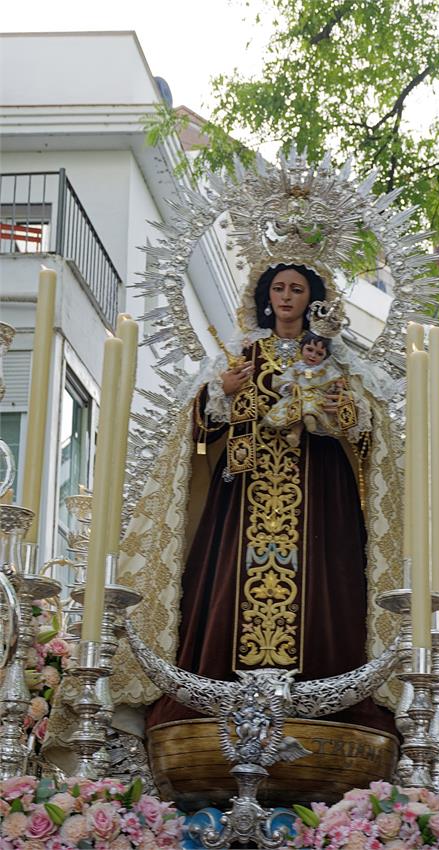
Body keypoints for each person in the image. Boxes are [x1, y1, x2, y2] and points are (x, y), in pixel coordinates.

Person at [143, 262, 396, 734]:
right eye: (278, 288)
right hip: (245, 488)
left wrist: (340, 407)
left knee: (323, 577)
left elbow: (362, 430)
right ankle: (220, 702)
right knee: (231, 575)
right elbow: (199, 431)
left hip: (318, 488)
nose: (286, 297)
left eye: (296, 289)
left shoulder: (336, 360)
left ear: (312, 299)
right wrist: (223, 392)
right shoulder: (242, 353)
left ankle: (322, 706)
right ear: (265, 295)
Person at [263, 331, 357, 447]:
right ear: (301, 348)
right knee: (297, 414)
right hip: (298, 396)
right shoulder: (296, 367)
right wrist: (290, 385)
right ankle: (295, 434)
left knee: (310, 403)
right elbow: (283, 379)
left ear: (325, 356)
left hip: (317, 395)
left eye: (319, 353)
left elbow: (334, 378)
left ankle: (310, 418)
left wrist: (338, 384)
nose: (313, 355)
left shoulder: (325, 369)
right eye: (309, 350)